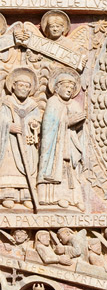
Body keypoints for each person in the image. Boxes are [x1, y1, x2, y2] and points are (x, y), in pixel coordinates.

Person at [37, 68, 85, 210]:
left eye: (72, 88)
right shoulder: (53, 102)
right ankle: (53, 198)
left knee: (71, 171)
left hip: (70, 144)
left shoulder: (75, 104)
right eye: (66, 86)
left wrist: (79, 123)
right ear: (57, 88)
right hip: (55, 147)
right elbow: (48, 126)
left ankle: (73, 199)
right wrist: (66, 121)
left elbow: (80, 131)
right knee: (57, 169)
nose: (69, 90)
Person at [0, 67, 41, 209]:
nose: (23, 89)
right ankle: (8, 194)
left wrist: (35, 124)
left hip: (27, 141)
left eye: (27, 86)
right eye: (20, 85)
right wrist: (8, 126)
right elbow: (1, 119)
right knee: (10, 166)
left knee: (29, 166)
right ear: (13, 86)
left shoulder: (32, 105)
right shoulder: (7, 102)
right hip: (10, 143)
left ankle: (26, 195)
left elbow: (37, 119)